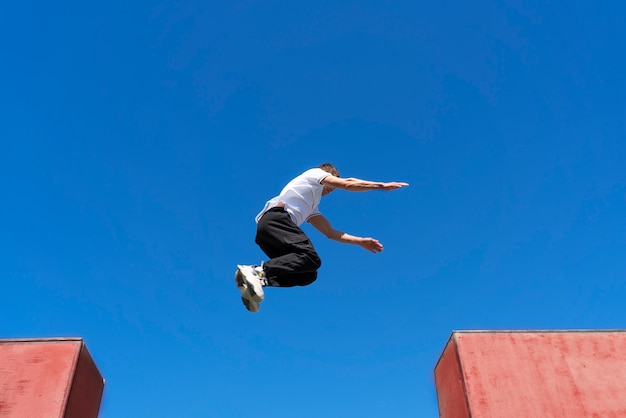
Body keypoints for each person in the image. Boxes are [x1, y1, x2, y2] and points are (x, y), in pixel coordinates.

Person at [235, 163, 409, 312]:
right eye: (333, 181)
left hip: (267, 233)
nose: (333, 189)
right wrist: (380, 185)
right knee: (310, 256)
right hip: (276, 219)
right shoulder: (314, 174)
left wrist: (360, 241)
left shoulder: (311, 206)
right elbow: (348, 184)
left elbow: (330, 233)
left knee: (308, 274)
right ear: (327, 174)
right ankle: (257, 271)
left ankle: (257, 281)